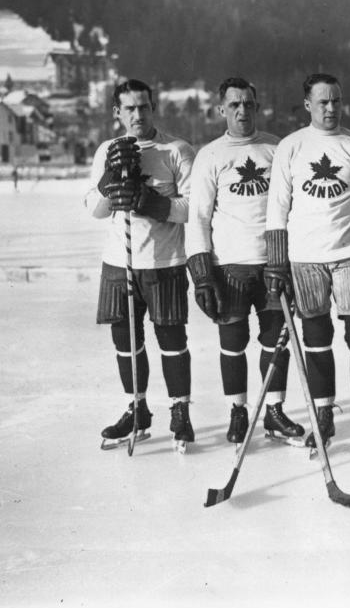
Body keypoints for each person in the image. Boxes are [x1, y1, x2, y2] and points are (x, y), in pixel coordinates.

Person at [264, 73, 350, 457]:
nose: (331, 108)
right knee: (316, 340)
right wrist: (277, 263)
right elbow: (277, 208)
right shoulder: (291, 147)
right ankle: (323, 416)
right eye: (322, 102)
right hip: (305, 259)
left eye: (336, 101)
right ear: (307, 104)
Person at [185, 77, 304, 445]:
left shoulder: (277, 149)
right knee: (232, 342)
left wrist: (291, 262)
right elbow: (199, 218)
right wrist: (202, 275)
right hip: (229, 267)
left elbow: (294, 209)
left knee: (275, 342)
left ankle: (274, 411)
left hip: (272, 264)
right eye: (234, 105)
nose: (242, 111)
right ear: (222, 109)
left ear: (257, 107)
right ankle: (238, 411)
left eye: (248, 104)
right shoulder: (210, 155)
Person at [84, 79, 196, 449]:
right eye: (129, 108)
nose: (137, 114)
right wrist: (109, 182)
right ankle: (138, 409)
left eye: (143, 107)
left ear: (153, 108)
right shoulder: (107, 150)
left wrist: (149, 201)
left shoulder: (175, 150)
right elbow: (94, 210)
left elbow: (193, 208)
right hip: (120, 262)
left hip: (164, 261)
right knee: (125, 342)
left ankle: (180, 411)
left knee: (172, 339)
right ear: (117, 112)